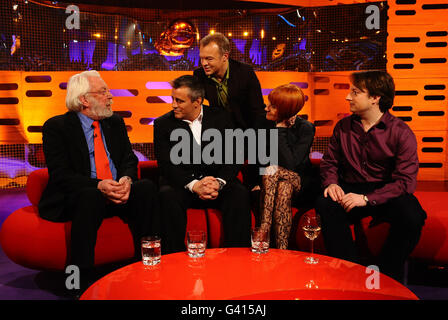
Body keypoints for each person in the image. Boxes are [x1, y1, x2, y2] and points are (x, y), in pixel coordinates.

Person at [38, 70, 157, 276]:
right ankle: (78, 279)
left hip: (117, 192)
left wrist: (126, 179)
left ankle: (147, 265)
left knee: (146, 188)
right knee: (90, 196)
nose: (110, 96)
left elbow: (129, 159)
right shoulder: (56, 127)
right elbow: (61, 175)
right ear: (84, 99)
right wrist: (99, 186)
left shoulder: (115, 122)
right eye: (103, 92)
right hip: (81, 195)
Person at [316, 70, 426, 282]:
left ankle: (385, 274)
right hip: (351, 187)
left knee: (413, 215)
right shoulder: (343, 127)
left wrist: (367, 199)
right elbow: (330, 162)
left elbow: (405, 182)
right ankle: (349, 271)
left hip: (386, 190)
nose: (348, 97)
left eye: (355, 92)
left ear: (375, 98)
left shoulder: (401, 132)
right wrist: (331, 183)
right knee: (325, 203)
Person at [154, 75, 251, 254]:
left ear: (197, 101)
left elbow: (235, 155)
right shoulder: (163, 124)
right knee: (167, 194)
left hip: (216, 183)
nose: (173, 105)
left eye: (179, 100)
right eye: (172, 99)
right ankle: (172, 258)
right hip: (183, 185)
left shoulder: (222, 118)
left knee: (239, 193)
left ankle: (239, 256)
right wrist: (194, 185)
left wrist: (219, 181)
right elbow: (166, 164)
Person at [258, 84, 315, 249]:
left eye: (273, 106)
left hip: (300, 181)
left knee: (272, 171)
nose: (267, 108)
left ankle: (264, 229)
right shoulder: (264, 123)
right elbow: (261, 158)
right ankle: (282, 251)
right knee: (283, 189)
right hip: (273, 183)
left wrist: (280, 130)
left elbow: (292, 165)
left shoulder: (306, 128)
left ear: (285, 109)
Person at [193, 32, 268, 130]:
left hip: (246, 129)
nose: (204, 63)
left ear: (225, 56)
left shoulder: (245, 73)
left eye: (209, 59)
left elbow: (258, 110)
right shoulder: (199, 75)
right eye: (202, 58)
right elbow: (194, 106)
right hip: (217, 131)